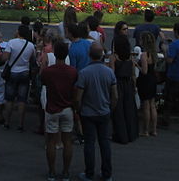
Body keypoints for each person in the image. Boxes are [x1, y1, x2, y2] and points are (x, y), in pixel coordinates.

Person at [75, 43, 117, 181]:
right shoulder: (109, 72)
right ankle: (107, 173)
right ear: (102, 55)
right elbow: (115, 95)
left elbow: (78, 96)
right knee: (104, 143)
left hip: (88, 112)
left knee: (89, 143)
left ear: (89, 54)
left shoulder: (84, 73)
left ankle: (89, 173)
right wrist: (111, 108)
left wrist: (79, 109)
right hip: (104, 111)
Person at [40, 40, 76, 181]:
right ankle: (66, 171)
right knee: (67, 141)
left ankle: (52, 171)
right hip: (67, 107)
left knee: (51, 141)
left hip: (52, 107)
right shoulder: (72, 71)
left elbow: (43, 81)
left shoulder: (49, 71)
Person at [1, 24, 37, 132]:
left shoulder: (12, 42)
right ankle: (20, 124)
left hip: (12, 72)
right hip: (25, 72)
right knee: (22, 99)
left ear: (18, 32)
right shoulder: (30, 45)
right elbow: (32, 60)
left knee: (9, 98)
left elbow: (5, 58)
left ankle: (7, 122)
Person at [109, 35, 138, 143]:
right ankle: (131, 133)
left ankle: (120, 134)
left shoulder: (114, 57)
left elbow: (112, 73)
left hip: (118, 83)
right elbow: (133, 74)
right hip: (128, 83)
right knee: (129, 109)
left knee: (118, 110)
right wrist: (134, 86)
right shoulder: (130, 57)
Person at [136, 31, 158, 136]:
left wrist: (136, 64)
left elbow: (144, 71)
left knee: (146, 106)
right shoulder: (154, 53)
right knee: (152, 105)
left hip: (145, 80)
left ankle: (145, 130)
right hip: (153, 79)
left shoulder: (144, 55)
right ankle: (154, 129)